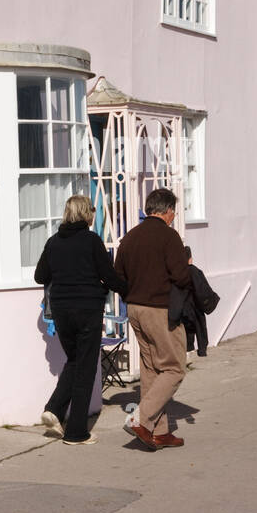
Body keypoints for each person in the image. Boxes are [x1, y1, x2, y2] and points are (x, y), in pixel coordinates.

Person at [34, 195, 127, 445]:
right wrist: (129, 290)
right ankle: (76, 432)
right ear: (86, 214)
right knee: (86, 368)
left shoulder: (53, 242)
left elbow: (40, 275)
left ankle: (53, 408)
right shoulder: (91, 241)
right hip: (87, 309)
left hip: (62, 311)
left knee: (75, 361)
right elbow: (109, 276)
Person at [115, 187, 193, 451]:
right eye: (174, 212)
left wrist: (132, 293)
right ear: (168, 211)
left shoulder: (130, 238)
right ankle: (141, 418)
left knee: (151, 368)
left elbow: (118, 277)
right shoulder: (168, 237)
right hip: (159, 308)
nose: (174, 217)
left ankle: (159, 432)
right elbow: (182, 277)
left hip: (135, 308)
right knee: (174, 368)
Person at [170, 245, 219, 358]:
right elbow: (202, 290)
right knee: (200, 328)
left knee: (184, 330)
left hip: (181, 307)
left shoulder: (176, 272)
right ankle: (201, 350)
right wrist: (210, 302)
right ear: (190, 258)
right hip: (195, 306)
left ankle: (187, 349)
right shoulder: (195, 271)